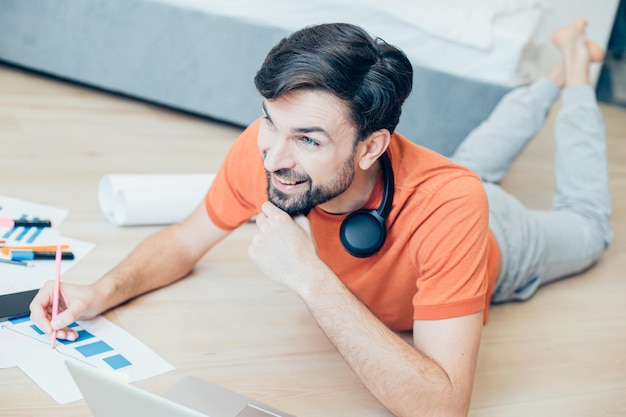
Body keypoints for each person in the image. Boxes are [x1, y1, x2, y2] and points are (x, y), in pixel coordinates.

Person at [30, 18, 612, 417]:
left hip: (496, 237)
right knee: (476, 162)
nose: (275, 158)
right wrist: (99, 291)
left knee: (587, 227)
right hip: (443, 189)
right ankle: (556, 71)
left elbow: (441, 403)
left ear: (369, 147)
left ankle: (578, 81)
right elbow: (184, 241)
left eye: (308, 139)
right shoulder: (267, 152)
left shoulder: (450, 206)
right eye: (270, 122)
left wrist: (309, 276)